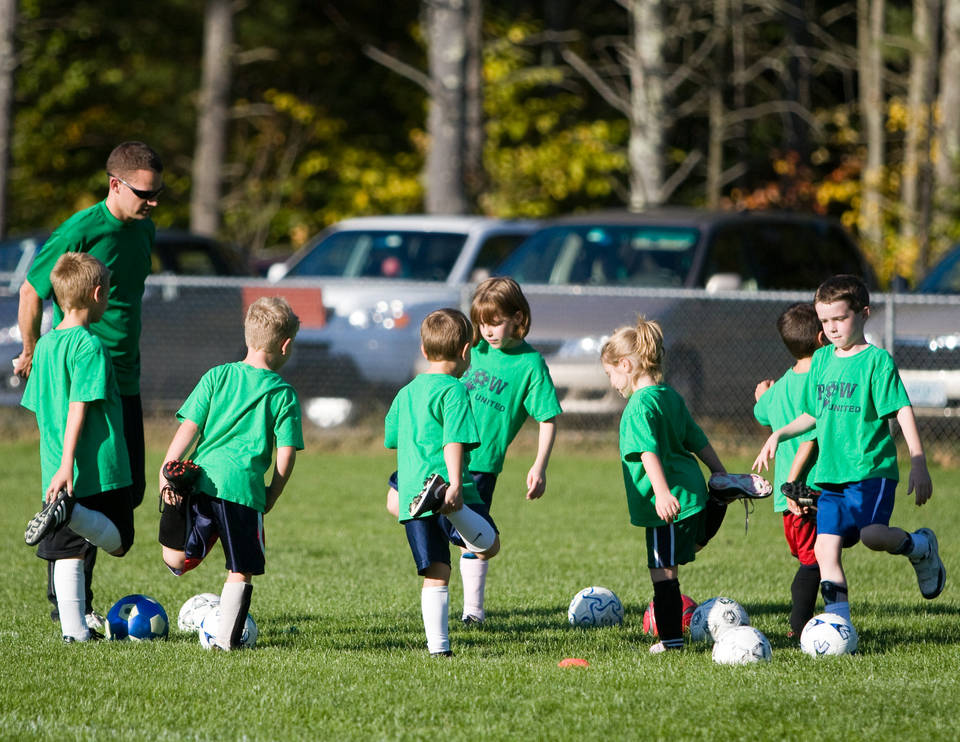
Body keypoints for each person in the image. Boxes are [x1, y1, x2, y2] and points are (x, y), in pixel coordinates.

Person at [15, 141, 163, 626]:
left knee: (129, 488)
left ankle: (72, 593)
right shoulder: (81, 229)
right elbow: (33, 289)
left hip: (126, 378)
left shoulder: (145, 230)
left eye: (158, 192)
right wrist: (32, 350)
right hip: (87, 376)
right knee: (89, 492)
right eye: (144, 192)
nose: (153, 201)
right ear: (116, 185)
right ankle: (71, 605)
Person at [754, 274, 944, 631]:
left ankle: (920, 547)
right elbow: (813, 413)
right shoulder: (823, 359)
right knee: (825, 551)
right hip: (830, 476)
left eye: (840, 318)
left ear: (864, 313)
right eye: (825, 321)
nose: (832, 328)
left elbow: (901, 410)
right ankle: (839, 627)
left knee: (873, 536)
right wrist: (779, 433)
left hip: (870, 470)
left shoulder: (877, 362)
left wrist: (918, 463)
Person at [386, 277, 562, 625]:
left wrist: (539, 465)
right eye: (482, 323)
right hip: (430, 459)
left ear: (518, 316)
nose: (488, 330)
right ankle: (441, 514)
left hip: (480, 464)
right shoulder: (471, 350)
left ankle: (473, 612)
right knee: (395, 501)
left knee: (473, 542)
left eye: (495, 322)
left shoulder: (530, 364)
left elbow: (548, 417)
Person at [601, 315, 770, 653]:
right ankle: (719, 496)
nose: (611, 382)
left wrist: (661, 493)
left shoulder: (637, 406)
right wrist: (719, 472)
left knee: (663, 573)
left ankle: (671, 642)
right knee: (690, 545)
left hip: (667, 501)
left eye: (610, 374)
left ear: (626, 364)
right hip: (693, 491)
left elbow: (647, 452)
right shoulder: (669, 396)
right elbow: (696, 438)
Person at [157, 297, 303, 650]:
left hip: (201, 481)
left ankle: (174, 524)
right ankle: (224, 642)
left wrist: (166, 470)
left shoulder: (217, 375)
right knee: (240, 570)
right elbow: (286, 455)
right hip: (243, 491)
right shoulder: (282, 393)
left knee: (176, 559)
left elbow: (188, 429)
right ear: (285, 345)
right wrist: (273, 492)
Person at [21, 253, 135, 643]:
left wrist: (56, 459)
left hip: (54, 470)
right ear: (98, 294)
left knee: (67, 553)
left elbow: (40, 409)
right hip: (97, 467)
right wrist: (70, 459)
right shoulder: (90, 346)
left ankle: (75, 634)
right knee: (120, 540)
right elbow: (78, 404)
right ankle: (74, 513)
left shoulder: (47, 346)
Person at [384, 308, 500, 656]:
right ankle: (451, 512)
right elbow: (454, 441)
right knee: (488, 547)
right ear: (466, 352)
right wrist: (451, 485)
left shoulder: (406, 392)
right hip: (452, 488)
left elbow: (392, 437)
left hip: (412, 490)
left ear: (424, 349)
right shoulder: (455, 390)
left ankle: (439, 650)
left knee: (436, 575)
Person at [753, 302, 825, 637]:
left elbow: (762, 415)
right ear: (822, 336)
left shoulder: (781, 384)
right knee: (815, 560)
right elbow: (811, 435)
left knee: (814, 557)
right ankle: (800, 626)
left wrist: (761, 396)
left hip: (787, 496)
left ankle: (819, 620)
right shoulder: (822, 380)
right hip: (807, 491)